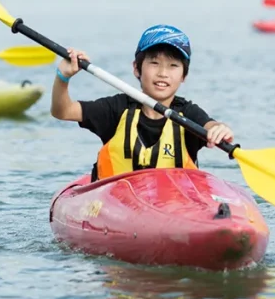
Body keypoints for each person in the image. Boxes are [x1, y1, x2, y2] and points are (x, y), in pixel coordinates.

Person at [50, 24, 235, 182]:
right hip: (115, 204)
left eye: (173, 66)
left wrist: (220, 128)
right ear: (137, 69)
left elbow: (210, 125)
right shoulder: (117, 108)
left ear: (183, 76)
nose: (163, 73)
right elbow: (63, 111)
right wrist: (63, 77)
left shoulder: (187, 113)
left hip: (173, 205)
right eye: (154, 63)